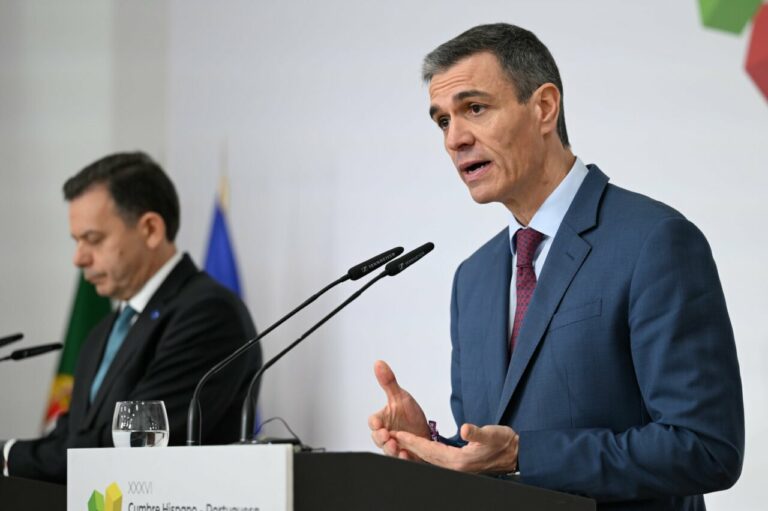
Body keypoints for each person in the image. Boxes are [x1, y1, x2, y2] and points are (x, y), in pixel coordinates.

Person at [368, 23, 744, 510]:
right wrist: (434, 447)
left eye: (474, 108)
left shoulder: (654, 242)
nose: (454, 139)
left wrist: (525, 454)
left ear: (544, 107)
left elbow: (705, 448)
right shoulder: (473, 279)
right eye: (442, 121)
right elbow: (491, 455)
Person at [0, 152, 261, 483]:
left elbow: (132, 444)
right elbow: (72, 435)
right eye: (76, 241)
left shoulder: (208, 315)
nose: (78, 258)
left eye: (92, 240)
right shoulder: (102, 333)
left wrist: (8, 456)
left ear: (150, 229)